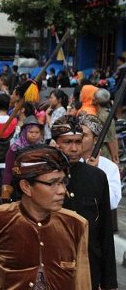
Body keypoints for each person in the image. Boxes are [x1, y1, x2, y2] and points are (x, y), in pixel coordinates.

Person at [0, 144, 91, 289]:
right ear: (26, 186)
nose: (62, 190)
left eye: (63, 182)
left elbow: (82, 281)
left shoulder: (75, 224)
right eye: (52, 183)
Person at [51, 115, 117, 290]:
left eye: (78, 142)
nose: (74, 148)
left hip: (89, 265)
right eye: (68, 142)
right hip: (52, 265)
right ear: (56, 143)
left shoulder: (97, 177)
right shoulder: (42, 176)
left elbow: (105, 230)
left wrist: (109, 281)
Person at [79, 114, 122, 231]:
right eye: (78, 134)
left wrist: (94, 174)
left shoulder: (109, 167)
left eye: (85, 135)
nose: (79, 138)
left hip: (97, 227)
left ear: (96, 139)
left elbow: (113, 201)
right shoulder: (68, 163)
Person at [1, 115, 45, 199]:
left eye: (37, 132)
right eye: (31, 132)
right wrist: (5, 190)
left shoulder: (42, 148)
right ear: (24, 132)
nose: (34, 135)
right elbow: (8, 171)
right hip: (18, 187)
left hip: (37, 187)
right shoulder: (15, 148)